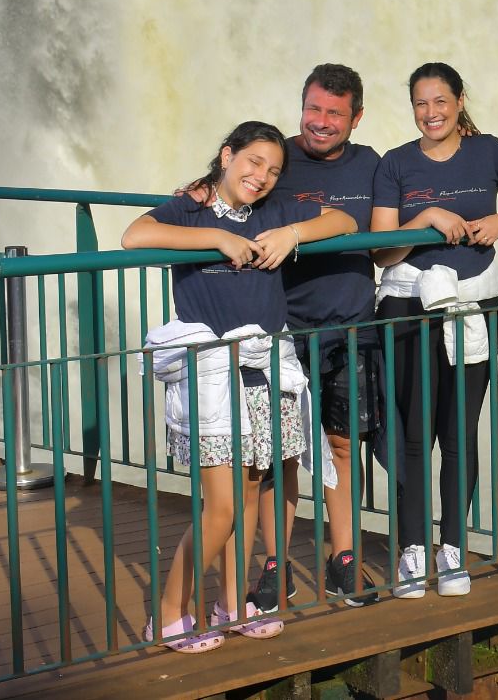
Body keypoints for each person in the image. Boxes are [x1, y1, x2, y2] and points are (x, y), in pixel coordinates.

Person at [125, 121, 356, 652]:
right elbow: (135, 236)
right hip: (210, 373)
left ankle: (232, 603)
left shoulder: (273, 211)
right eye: (252, 162)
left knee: (252, 491)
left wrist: (293, 233)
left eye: (273, 170)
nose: (261, 176)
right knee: (223, 506)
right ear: (226, 156)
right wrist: (216, 237)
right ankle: (168, 614)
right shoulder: (191, 208)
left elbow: (343, 219)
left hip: (264, 368)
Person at [370, 63, 498, 598]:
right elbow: (381, 250)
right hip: (408, 307)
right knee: (411, 434)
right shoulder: (395, 164)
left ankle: (452, 550)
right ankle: (410, 551)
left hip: (475, 305)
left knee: (458, 432)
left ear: (459, 101)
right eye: (421, 104)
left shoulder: (489, 151)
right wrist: (424, 216)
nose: (431, 113)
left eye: (441, 102)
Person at [254, 64, 383, 610]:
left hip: (349, 326)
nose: (321, 121)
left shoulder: (373, 164)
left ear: (356, 117)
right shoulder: (275, 159)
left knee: (342, 445)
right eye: (313, 108)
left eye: (334, 112)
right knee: (278, 453)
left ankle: (342, 560)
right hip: (282, 327)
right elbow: (227, 186)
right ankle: (275, 566)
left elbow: (382, 220)